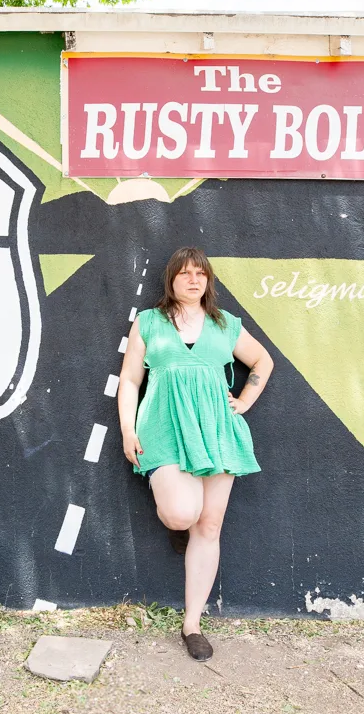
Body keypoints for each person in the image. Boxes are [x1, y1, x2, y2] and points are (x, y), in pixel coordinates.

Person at [116, 247, 274, 662]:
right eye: (184, 274)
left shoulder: (224, 324)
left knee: (210, 525)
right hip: (164, 429)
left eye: (200, 274)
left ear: (208, 281)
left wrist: (243, 400)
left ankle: (192, 624)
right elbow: (131, 379)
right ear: (171, 280)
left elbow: (262, 360)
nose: (193, 280)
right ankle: (175, 524)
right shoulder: (149, 322)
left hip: (217, 430)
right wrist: (128, 429)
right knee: (183, 515)